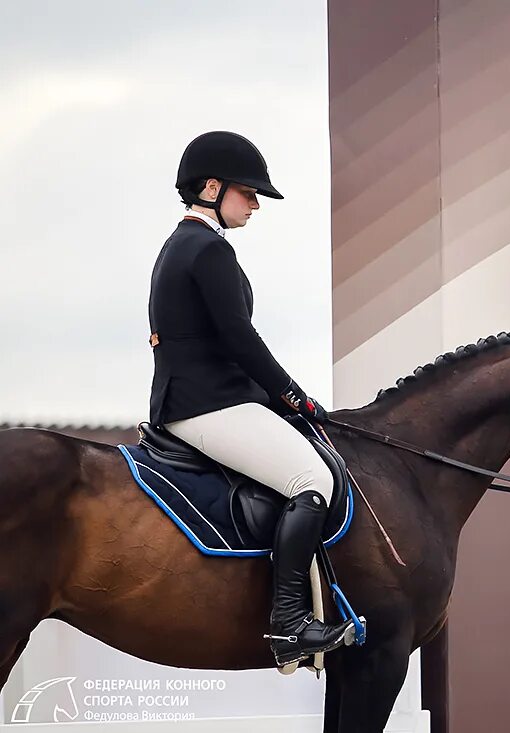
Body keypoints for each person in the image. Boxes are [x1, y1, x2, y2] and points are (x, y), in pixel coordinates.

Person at [147, 131, 356, 667]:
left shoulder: (183, 245)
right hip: (207, 406)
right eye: (248, 192)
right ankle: (288, 622)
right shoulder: (208, 248)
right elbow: (240, 340)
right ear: (212, 187)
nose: (256, 204)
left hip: (197, 400)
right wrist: (295, 396)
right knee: (313, 481)